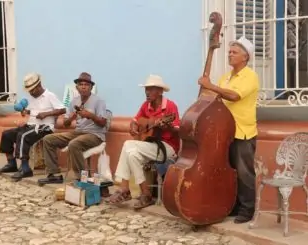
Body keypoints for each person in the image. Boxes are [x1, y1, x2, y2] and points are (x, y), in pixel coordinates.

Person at [198, 36, 259, 224]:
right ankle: (232, 206)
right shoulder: (226, 77)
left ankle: (247, 210)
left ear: (245, 57)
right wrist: (205, 90)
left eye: (234, 52)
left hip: (243, 132)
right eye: (229, 52)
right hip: (224, 132)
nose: (230, 55)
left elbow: (234, 96)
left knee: (244, 173)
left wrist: (212, 86)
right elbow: (216, 97)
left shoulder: (250, 76)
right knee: (229, 171)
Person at [106, 74, 180, 209]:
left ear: (160, 91)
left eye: (151, 89)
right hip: (149, 146)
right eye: (146, 89)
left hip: (167, 148)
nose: (147, 92)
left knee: (128, 144)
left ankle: (124, 188)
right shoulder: (146, 105)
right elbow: (135, 121)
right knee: (133, 155)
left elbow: (177, 129)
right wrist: (134, 128)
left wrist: (167, 126)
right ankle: (146, 194)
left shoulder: (170, 106)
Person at [37, 72, 108, 185]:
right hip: (78, 132)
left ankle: (81, 179)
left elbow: (103, 123)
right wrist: (71, 118)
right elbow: (65, 124)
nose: (83, 87)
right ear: (77, 87)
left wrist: (90, 116)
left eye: (86, 85)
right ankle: (54, 174)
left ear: (91, 87)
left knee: (74, 144)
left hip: (95, 135)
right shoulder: (74, 101)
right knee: (48, 139)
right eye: (81, 84)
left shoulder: (99, 101)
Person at [0, 73, 66, 181]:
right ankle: (11, 163)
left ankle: (25, 168)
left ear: (39, 85)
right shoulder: (32, 98)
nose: (31, 92)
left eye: (32, 90)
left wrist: (46, 114)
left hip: (44, 128)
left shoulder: (50, 95)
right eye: (29, 90)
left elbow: (62, 109)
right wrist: (25, 112)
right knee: (7, 134)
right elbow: (31, 111)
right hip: (30, 126)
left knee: (23, 136)